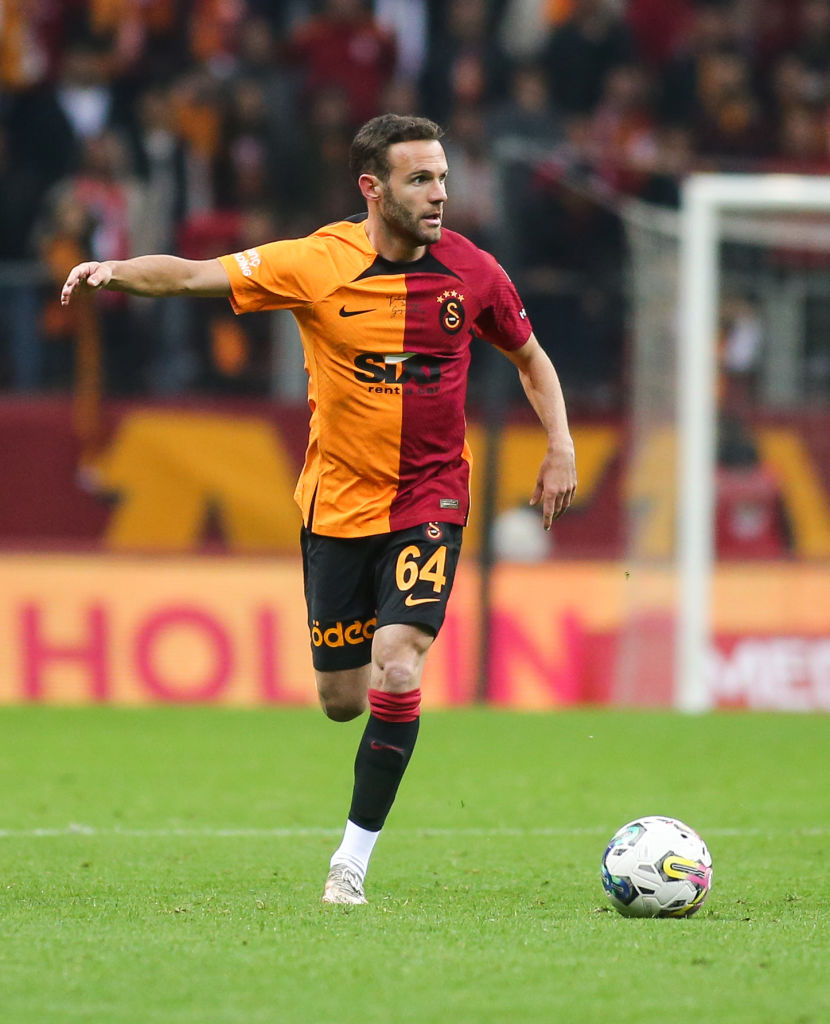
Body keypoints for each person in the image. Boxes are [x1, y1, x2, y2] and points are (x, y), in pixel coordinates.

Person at [60, 113, 577, 905]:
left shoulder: (474, 273)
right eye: (420, 179)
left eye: (442, 177)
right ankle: (371, 722)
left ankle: (351, 863)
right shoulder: (315, 263)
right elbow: (194, 276)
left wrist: (560, 445)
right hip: (335, 505)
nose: (439, 193)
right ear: (372, 188)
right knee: (342, 700)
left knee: (399, 659)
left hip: (430, 496)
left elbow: (531, 359)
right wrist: (114, 270)